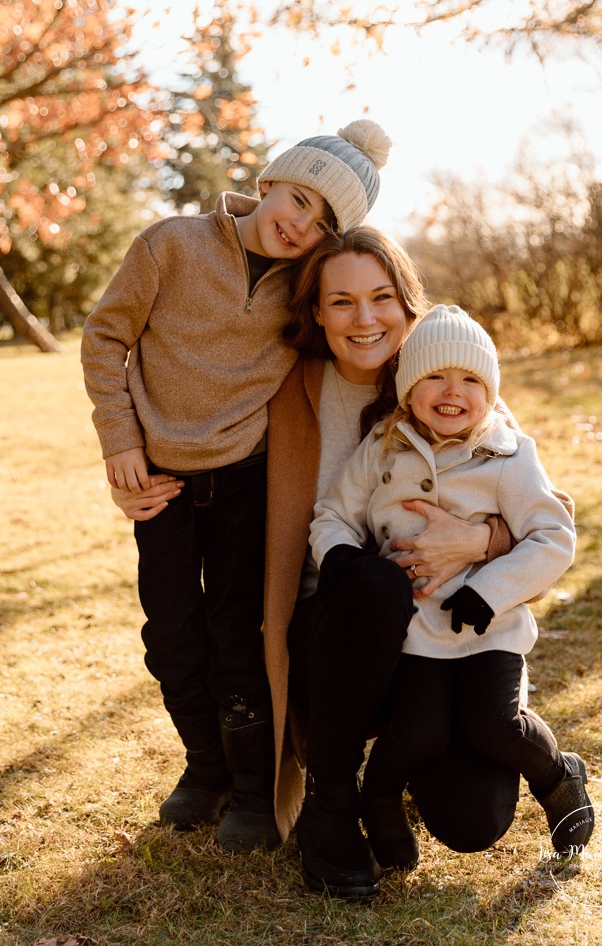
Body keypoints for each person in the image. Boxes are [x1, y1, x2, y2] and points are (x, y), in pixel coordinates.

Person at [111, 230, 545, 900]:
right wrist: (134, 472)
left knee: (471, 820)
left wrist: (482, 540)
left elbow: (545, 513)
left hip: (438, 637)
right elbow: (193, 432)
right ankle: (330, 801)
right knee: (371, 582)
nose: (363, 318)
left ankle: (413, 768)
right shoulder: (284, 388)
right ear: (316, 311)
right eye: (341, 301)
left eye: (381, 298)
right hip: (329, 636)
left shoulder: (447, 377)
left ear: (407, 305)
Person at [81, 118, 392, 856]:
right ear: (267, 182)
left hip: (247, 478)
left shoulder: (306, 287)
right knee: (170, 635)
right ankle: (204, 766)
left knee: (237, 636)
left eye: (322, 223)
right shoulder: (170, 245)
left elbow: (372, 322)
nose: (301, 225)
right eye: (299, 200)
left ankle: (253, 791)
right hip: (159, 479)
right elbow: (104, 337)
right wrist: (120, 440)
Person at [309, 304, 594, 872]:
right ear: (408, 389)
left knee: (495, 725)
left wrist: (491, 590)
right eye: (435, 376)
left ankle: (559, 777)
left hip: (491, 630)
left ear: (490, 392)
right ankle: (379, 801)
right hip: (416, 631)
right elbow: (333, 514)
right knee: (418, 733)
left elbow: (553, 537)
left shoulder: (508, 454)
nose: (452, 391)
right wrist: (340, 556)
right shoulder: (383, 447)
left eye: (470, 380)